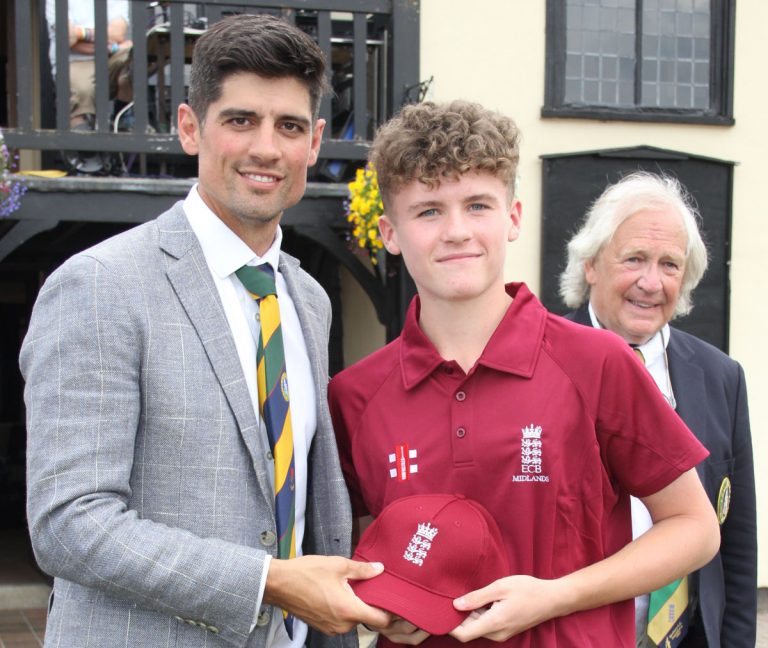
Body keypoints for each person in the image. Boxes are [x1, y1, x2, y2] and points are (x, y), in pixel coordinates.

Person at [20, 13, 389, 648]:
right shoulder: (101, 285)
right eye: (240, 120)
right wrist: (267, 582)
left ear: (316, 142)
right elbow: (69, 523)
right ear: (190, 128)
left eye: (290, 126)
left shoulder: (306, 296)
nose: (267, 148)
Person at [328, 100, 720, 647]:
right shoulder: (354, 396)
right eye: (428, 211)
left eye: (478, 205)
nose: (457, 231)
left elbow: (694, 529)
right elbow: (364, 543)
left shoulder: (598, 364)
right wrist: (385, 604)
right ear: (389, 232)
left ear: (513, 218)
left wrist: (557, 596)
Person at [560, 171, 757, 647]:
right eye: (634, 260)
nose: (651, 282)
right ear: (590, 264)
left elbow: (736, 545)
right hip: (573, 633)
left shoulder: (720, 376)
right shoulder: (544, 362)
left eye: (670, 264)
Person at [45, 0, 133, 128]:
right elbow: (68, 39)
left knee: (133, 53)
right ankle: (83, 139)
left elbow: (117, 33)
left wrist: (80, 33)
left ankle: (123, 118)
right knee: (81, 94)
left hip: (110, 59)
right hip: (74, 61)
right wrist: (114, 47)